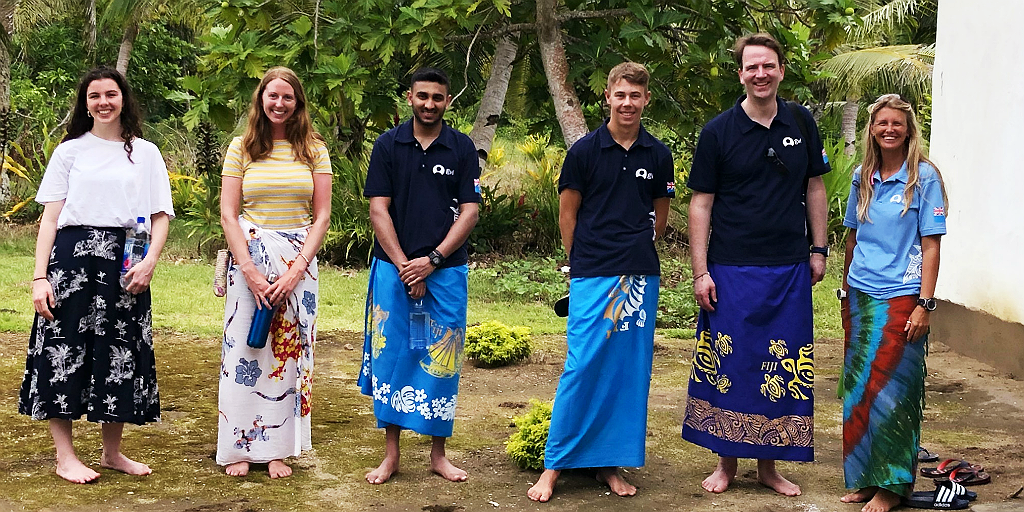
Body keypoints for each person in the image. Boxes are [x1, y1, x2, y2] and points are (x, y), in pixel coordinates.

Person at [681, 32, 830, 496]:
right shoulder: (718, 131)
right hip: (730, 269)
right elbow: (700, 205)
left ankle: (769, 466)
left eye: (769, 65)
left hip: (788, 269)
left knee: (781, 368)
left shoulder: (801, 122)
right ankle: (726, 464)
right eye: (752, 67)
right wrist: (700, 271)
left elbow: (815, 189)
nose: (760, 74)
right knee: (730, 364)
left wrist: (819, 249)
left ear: (781, 70)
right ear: (740, 74)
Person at [19, 66, 174, 483]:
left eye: (110, 94)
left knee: (119, 350)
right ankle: (64, 456)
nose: (103, 102)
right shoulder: (70, 151)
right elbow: (50, 220)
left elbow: (160, 217)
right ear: (84, 103)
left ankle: (112, 452)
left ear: (123, 98)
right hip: (71, 260)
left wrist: (150, 261)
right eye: (94, 96)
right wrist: (39, 278)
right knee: (63, 350)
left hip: (125, 263)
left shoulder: (147, 153)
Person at [527, 61, 674, 502]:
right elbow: (567, 215)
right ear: (607, 97)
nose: (627, 103)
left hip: (640, 278)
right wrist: (582, 264)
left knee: (626, 373)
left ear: (646, 99)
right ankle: (553, 466)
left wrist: (633, 250)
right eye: (620, 95)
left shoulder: (658, 154)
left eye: (636, 95)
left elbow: (660, 218)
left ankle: (607, 465)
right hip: (592, 274)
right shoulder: (585, 152)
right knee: (582, 366)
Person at [358, 67, 480, 484]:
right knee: (395, 356)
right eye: (422, 96)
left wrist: (431, 260)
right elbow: (379, 210)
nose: (430, 104)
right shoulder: (388, 145)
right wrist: (406, 267)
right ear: (409, 97)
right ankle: (390, 456)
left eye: (438, 98)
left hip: (446, 272)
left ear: (448, 101)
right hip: (392, 271)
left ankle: (438, 454)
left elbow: (470, 211)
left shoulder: (462, 148)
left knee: (441, 359)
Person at [216, 67, 332, 478]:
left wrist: (296, 269)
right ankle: (240, 448)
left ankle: (279, 449)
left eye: (288, 97)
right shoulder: (241, 147)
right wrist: (249, 270)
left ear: (298, 103)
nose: (279, 104)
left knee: (289, 353)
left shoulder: (314, 148)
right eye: (272, 96)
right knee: (246, 349)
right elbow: (229, 214)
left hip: (298, 265)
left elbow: (321, 216)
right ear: (260, 99)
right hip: (250, 262)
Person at [838, 94, 947, 512]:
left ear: (908, 129)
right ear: (872, 129)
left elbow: (931, 246)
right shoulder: (863, 175)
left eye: (896, 123)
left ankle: (892, 486)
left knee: (893, 393)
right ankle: (865, 478)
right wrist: (846, 291)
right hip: (861, 295)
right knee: (859, 391)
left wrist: (926, 303)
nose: (889, 129)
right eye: (881, 123)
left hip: (902, 297)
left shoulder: (924, 178)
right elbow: (852, 236)